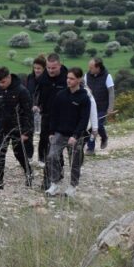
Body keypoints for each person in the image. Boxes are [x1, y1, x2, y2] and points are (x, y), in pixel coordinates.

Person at [0, 67, 34, 190]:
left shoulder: (22, 91)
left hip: (18, 127)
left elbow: (28, 114)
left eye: (3, 82)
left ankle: (29, 173)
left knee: (19, 153)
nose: (1, 85)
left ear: (9, 77)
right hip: (2, 127)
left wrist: (26, 132)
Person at [45, 67, 91, 197]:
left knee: (75, 162)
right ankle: (54, 183)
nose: (68, 81)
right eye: (67, 78)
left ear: (79, 80)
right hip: (59, 133)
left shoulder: (84, 98)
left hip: (76, 136)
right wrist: (51, 131)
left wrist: (76, 135)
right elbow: (54, 114)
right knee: (52, 156)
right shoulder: (61, 95)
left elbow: (84, 119)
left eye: (72, 78)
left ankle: (73, 186)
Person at [33, 53, 68, 174]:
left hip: (63, 116)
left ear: (60, 65)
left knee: (58, 142)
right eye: (48, 68)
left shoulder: (67, 78)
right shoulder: (42, 78)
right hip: (47, 114)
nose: (51, 70)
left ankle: (60, 167)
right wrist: (36, 104)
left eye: (54, 68)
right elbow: (37, 93)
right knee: (45, 139)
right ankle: (46, 164)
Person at [84, 57, 115, 155]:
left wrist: (110, 108)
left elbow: (111, 93)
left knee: (97, 123)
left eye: (91, 68)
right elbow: (84, 88)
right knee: (90, 126)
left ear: (98, 67)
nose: (89, 70)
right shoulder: (87, 76)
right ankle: (91, 148)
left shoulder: (107, 76)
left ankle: (104, 137)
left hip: (102, 106)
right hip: (90, 107)